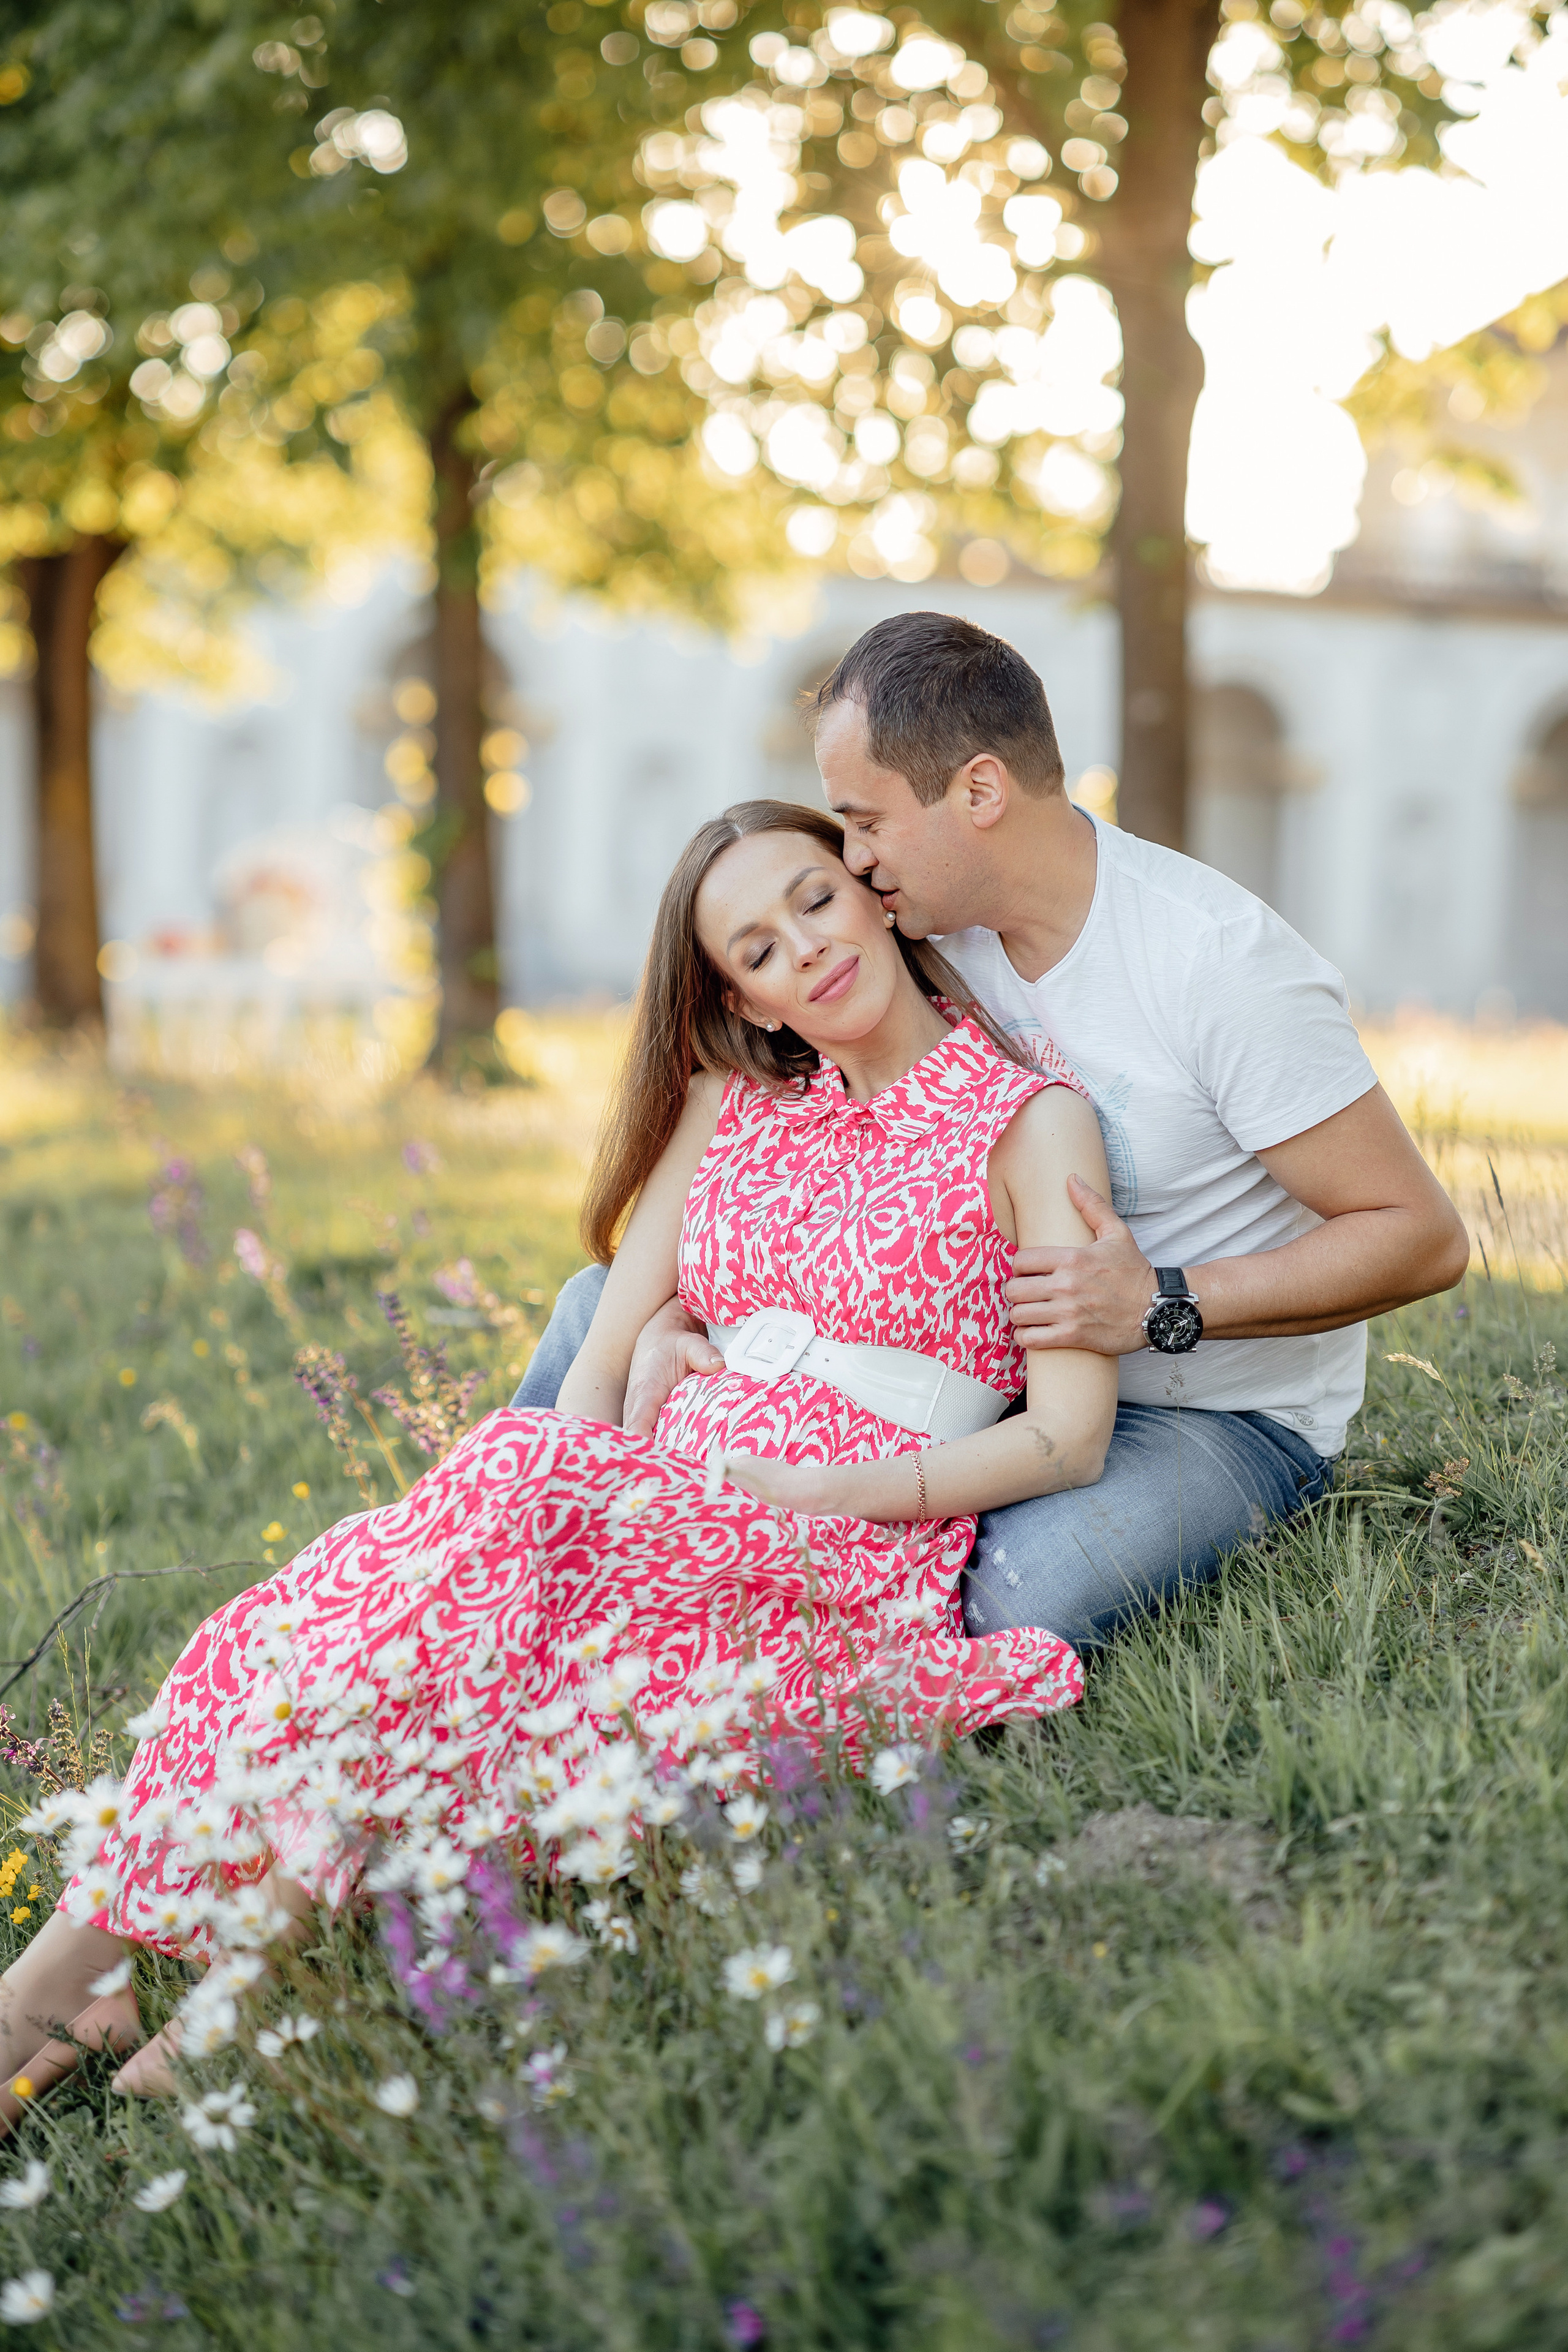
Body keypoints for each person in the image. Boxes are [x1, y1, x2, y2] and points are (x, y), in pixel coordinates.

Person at [0, 801, 1115, 2117]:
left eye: (813, 901)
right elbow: (599, 1363)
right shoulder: (730, 1105)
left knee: (442, 1553)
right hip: (639, 1513)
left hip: (830, 1552)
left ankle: (90, 1968)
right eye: (755, 949)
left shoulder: (1026, 1126)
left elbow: (1065, 1434)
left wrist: (826, 1489)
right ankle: (168, 1964)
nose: (804, 951)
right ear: (740, 999)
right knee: (385, 1595)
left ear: (872, 895)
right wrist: (607, 1443)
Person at [519, 612, 1469, 1651]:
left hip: (1210, 1406)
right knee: (595, 1308)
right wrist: (697, 1329)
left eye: (866, 823)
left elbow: (1423, 1235)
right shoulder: (925, 927)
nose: (859, 860)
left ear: (978, 792)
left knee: (1014, 1601)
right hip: (993, 1366)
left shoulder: (1216, 967)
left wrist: (1158, 1306)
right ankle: (499, 1560)